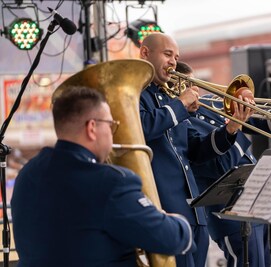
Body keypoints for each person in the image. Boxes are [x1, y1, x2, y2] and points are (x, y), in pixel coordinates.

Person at [11, 86, 194, 267]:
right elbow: (171, 238)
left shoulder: (27, 174)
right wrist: (176, 221)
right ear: (92, 127)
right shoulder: (111, 183)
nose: (113, 133)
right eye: (111, 125)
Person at [173, 61, 271, 267]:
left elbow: (255, 118)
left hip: (254, 199)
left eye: (195, 84)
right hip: (228, 210)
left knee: (265, 261)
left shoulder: (209, 104)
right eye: (189, 87)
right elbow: (220, 162)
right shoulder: (179, 124)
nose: (196, 91)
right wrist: (234, 128)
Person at [139, 33, 253, 267]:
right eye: (167, 54)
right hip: (166, 210)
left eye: (176, 57)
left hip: (193, 211)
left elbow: (197, 151)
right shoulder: (138, 95)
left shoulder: (168, 100)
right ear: (145, 53)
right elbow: (145, 127)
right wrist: (180, 104)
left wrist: (231, 129)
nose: (173, 62)